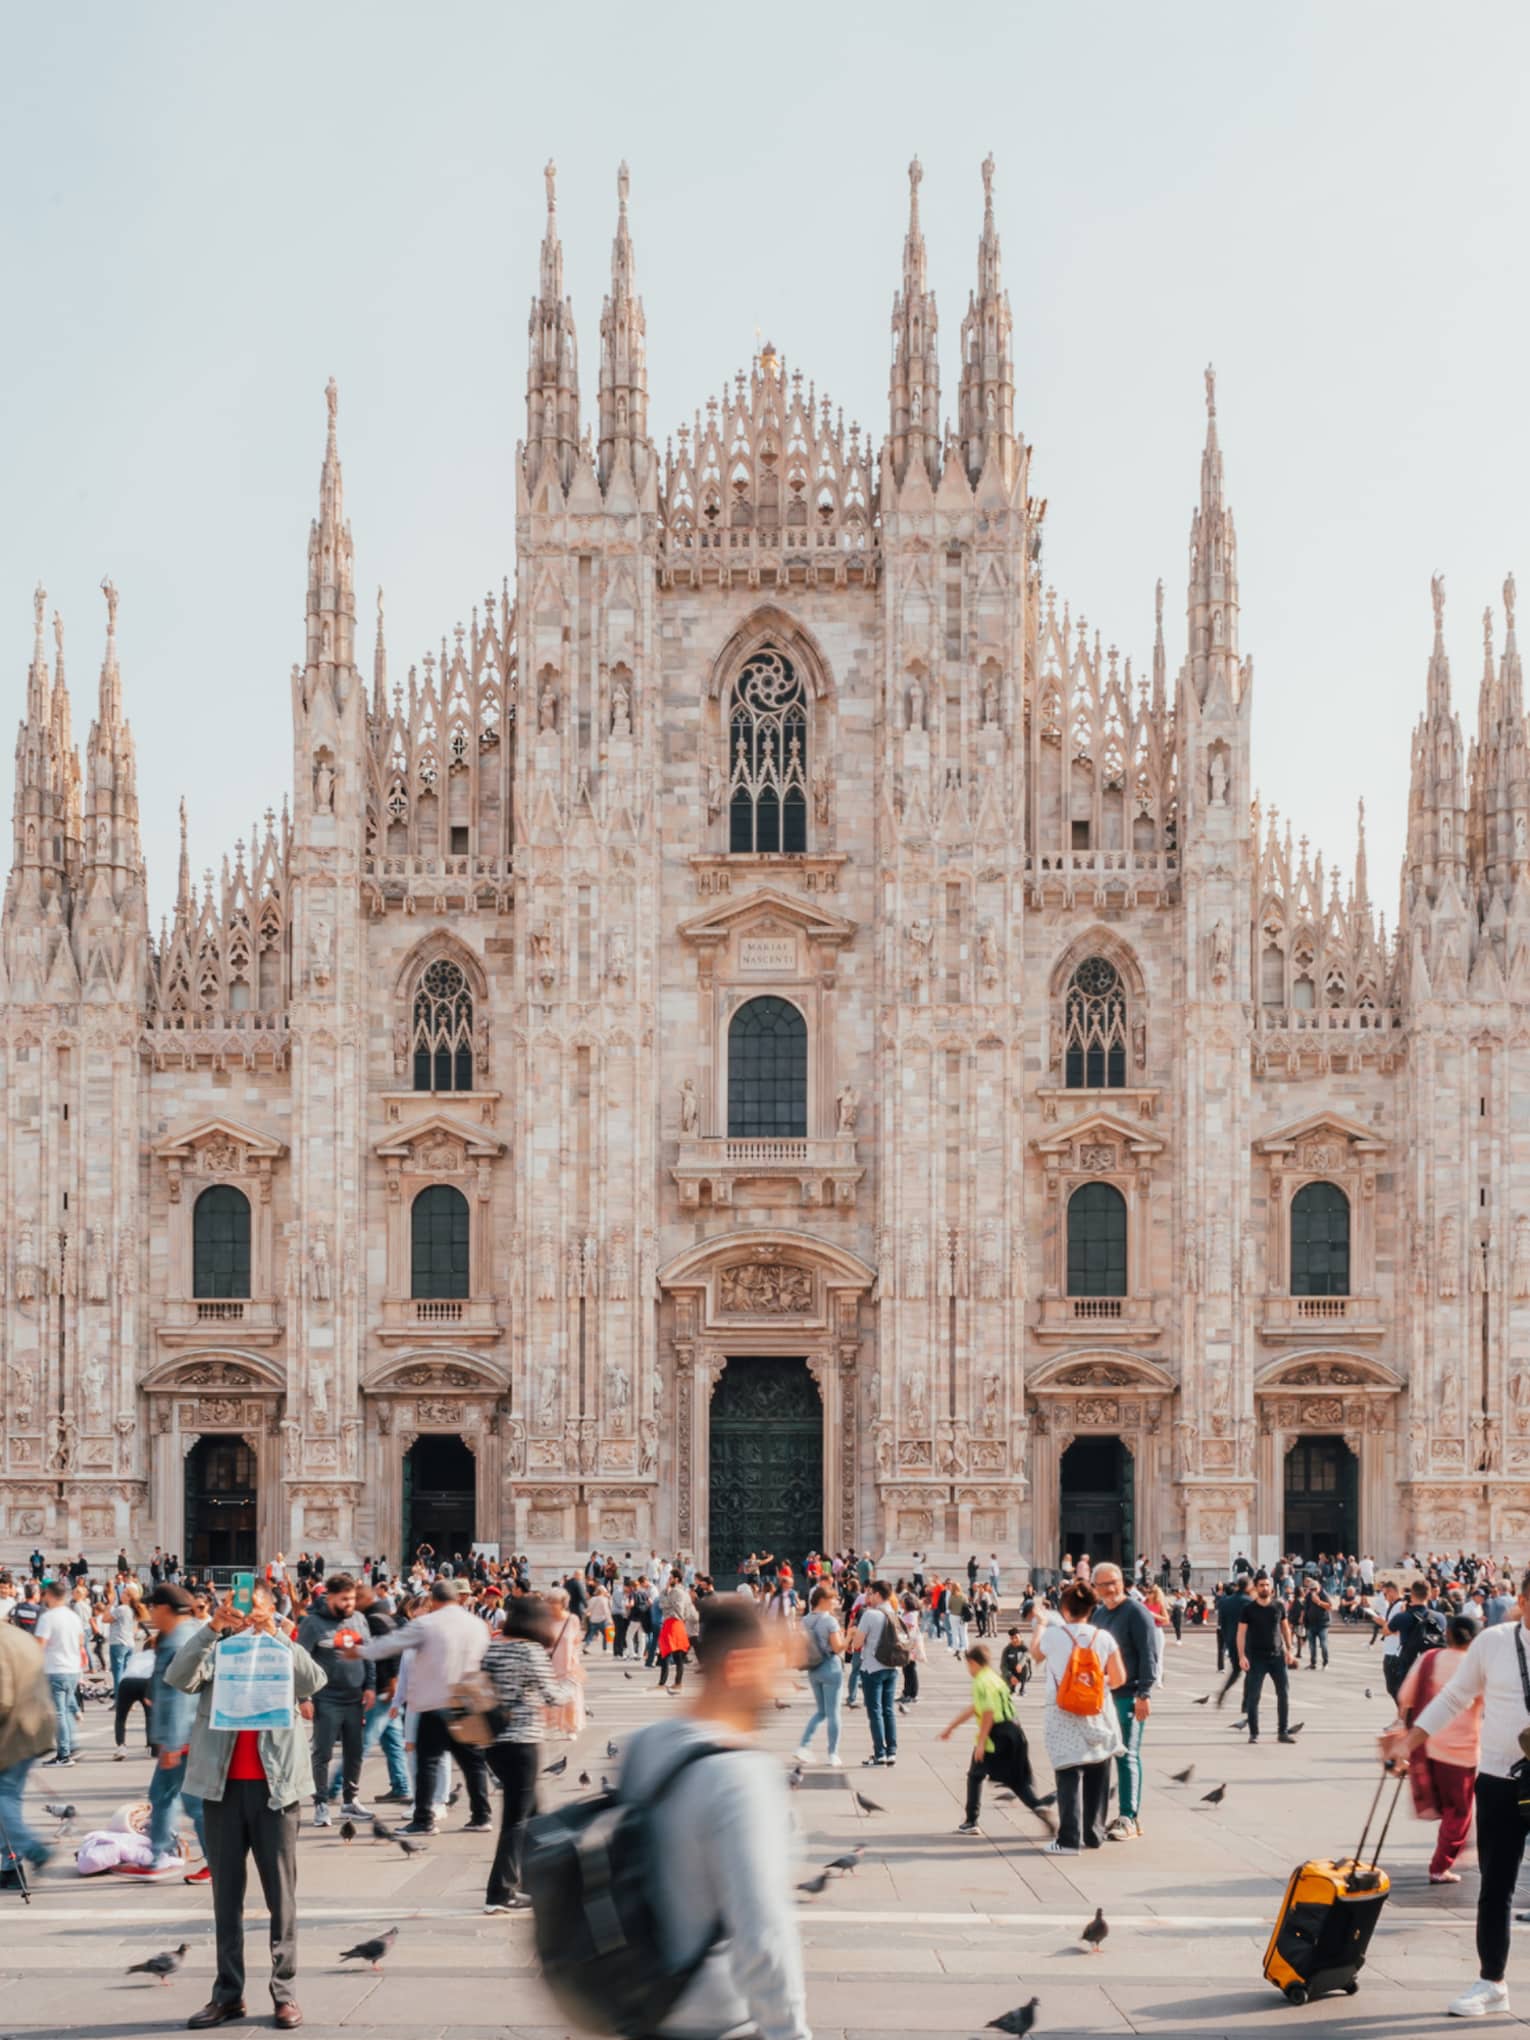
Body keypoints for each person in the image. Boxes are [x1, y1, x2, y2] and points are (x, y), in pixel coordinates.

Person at [618, 1594, 809, 2040]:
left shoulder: (644, 1744)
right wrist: (789, 2031)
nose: (782, 1688)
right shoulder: (742, 1774)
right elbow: (762, 1930)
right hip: (718, 2019)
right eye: (775, 1669)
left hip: (645, 2008)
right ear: (739, 1666)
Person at [165, 1583, 324, 2029]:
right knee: (226, 1897)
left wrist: (275, 1633)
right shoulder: (218, 1649)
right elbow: (179, 1677)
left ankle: (284, 1993)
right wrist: (212, 1627)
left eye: (256, 1607)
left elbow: (314, 1681)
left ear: (272, 1609)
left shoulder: (282, 1645)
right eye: (238, 1606)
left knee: (281, 1898)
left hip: (277, 1790)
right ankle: (228, 1995)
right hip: (222, 1789)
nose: (246, 1613)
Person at [1384, 1570, 1530, 2019]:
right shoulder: (1494, 1643)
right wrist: (1408, 1743)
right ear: (1524, 1602)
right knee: (1496, 1887)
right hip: (1500, 1778)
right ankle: (1492, 1983)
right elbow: (1453, 1697)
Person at [344, 1578, 493, 1837]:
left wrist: (359, 1651)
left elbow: (389, 1644)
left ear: (433, 1600)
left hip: (434, 1704)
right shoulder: (477, 1625)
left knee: (428, 1763)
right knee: (473, 1763)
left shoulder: (427, 1624)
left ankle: (424, 1820)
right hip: (467, 1702)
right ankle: (481, 1816)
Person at [481, 1595, 572, 1915]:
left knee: (533, 1813)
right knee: (517, 1820)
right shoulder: (529, 1651)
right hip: (522, 1742)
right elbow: (554, 1696)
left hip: (493, 1741)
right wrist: (572, 1682)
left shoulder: (492, 1647)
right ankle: (500, 1892)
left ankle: (538, 1880)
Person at [1031, 1580, 1126, 1855]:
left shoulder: (1054, 1636)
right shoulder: (1104, 1638)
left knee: (1068, 1773)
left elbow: (1035, 1654)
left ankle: (1068, 1840)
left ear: (1064, 1609)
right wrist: (1093, 1683)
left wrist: (1040, 1625)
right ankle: (1094, 1834)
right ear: (1091, 1609)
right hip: (1097, 1711)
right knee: (1098, 1768)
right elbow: (1119, 1678)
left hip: (1062, 1711)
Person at [125, 1584, 210, 1880]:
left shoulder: (178, 1643)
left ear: (164, 1609)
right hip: (187, 1735)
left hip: (184, 1738)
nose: (150, 1613)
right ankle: (160, 1853)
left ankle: (213, 1861)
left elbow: (179, 1696)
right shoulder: (188, 1634)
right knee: (163, 1795)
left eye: (153, 1607)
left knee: (192, 1802)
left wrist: (172, 1743)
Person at [1393, 1609, 1481, 1885]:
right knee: (1459, 1812)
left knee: (1448, 1808)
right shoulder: (1475, 1667)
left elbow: (1405, 1697)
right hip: (1461, 1751)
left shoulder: (1429, 1658)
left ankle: (1454, 1849)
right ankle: (1439, 1866)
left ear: (1448, 1634)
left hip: (1427, 1744)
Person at [941, 1643, 1056, 1837]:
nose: (969, 1670)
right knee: (1016, 1780)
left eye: (968, 1665)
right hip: (1015, 1731)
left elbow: (987, 1712)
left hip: (996, 1733)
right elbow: (975, 1708)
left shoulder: (981, 1681)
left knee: (975, 1775)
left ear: (974, 1663)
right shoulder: (995, 1678)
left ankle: (971, 1820)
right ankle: (1038, 1807)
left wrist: (981, 1743)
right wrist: (952, 1727)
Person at [296, 1575, 374, 1828]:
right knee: (323, 1752)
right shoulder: (312, 1623)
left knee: (355, 1751)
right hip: (326, 1698)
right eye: (344, 1599)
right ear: (330, 1597)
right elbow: (300, 1661)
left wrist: (370, 1686)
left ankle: (350, 1801)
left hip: (354, 1698)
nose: (349, 1603)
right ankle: (320, 1803)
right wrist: (304, 1697)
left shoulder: (359, 1619)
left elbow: (368, 1654)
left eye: (352, 1599)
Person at [1092, 1563, 1159, 1839]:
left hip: (1130, 1694)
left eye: (1115, 1582)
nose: (1111, 1588)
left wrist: (1144, 1693)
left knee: (1127, 1753)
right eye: (1104, 1584)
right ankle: (1103, 1816)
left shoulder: (1136, 1612)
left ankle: (1128, 1818)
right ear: (1095, 1588)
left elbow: (1149, 1654)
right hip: (1105, 1696)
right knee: (1103, 1755)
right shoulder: (1099, 1615)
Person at [0, 1607, 57, 1885]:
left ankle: (33, 1849)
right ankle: (10, 1866)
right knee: (8, 1798)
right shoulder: (19, 1636)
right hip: (34, 1726)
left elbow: (2, 1699)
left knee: (4, 1798)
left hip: (13, 1733)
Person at [1237, 1572, 1298, 1745]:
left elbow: (1285, 1629)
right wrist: (1242, 1656)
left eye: (1267, 1585)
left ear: (1271, 1587)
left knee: (1283, 1694)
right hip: (1256, 1658)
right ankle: (1254, 1733)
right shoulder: (1248, 1609)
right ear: (1256, 1588)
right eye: (1262, 1585)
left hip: (1277, 1656)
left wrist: (1289, 1650)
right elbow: (1240, 1634)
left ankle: (1282, 1732)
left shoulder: (1278, 1606)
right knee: (1253, 1696)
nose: (1265, 1588)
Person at [847, 1581, 902, 1768]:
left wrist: (853, 1634)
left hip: (872, 1667)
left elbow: (857, 1644)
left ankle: (880, 1753)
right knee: (888, 1710)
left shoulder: (870, 1614)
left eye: (870, 1593)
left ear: (878, 1594)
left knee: (875, 1712)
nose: (868, 1597)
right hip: (892, 1667)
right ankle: (891, 1751)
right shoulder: (894, 1613)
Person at [35, 1581, 87, 1768]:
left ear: (49, 1595)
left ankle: (64, 1754)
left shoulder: (48, 1618)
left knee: (59, 1713)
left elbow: (39, 1645)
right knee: (64, 1711)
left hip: (55, 1669)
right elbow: (81, 1642)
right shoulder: (73, 1616)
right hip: (72, 1669)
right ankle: (69, 1748)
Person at [796, 1584, 846, 1767]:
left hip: (813, 1669)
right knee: (833, 1714)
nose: (836, 1602)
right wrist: (849, 1636)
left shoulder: (805, 1620)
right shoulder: (830, 1621)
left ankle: (804, 1745)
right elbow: (837, 1648)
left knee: (821, 1711)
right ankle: (833, 1753)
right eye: (833, 1599)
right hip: (830, 1667)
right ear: (823, 1600)